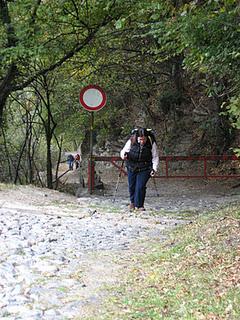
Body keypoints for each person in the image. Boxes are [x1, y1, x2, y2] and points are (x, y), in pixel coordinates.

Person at [120, 128, 159, 211]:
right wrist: (124, 155)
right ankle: (132, 203)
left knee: (140, 186)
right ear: (137, 138)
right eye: (140, 139)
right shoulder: (132, 140)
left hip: (145, 167)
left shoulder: (151, 142)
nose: (142, 141)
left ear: (147, 138)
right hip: (131, 166)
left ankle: (140, 205)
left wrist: (154, 169)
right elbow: (123, 151)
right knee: (132, 185)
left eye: (144, 139)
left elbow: (155, 157)